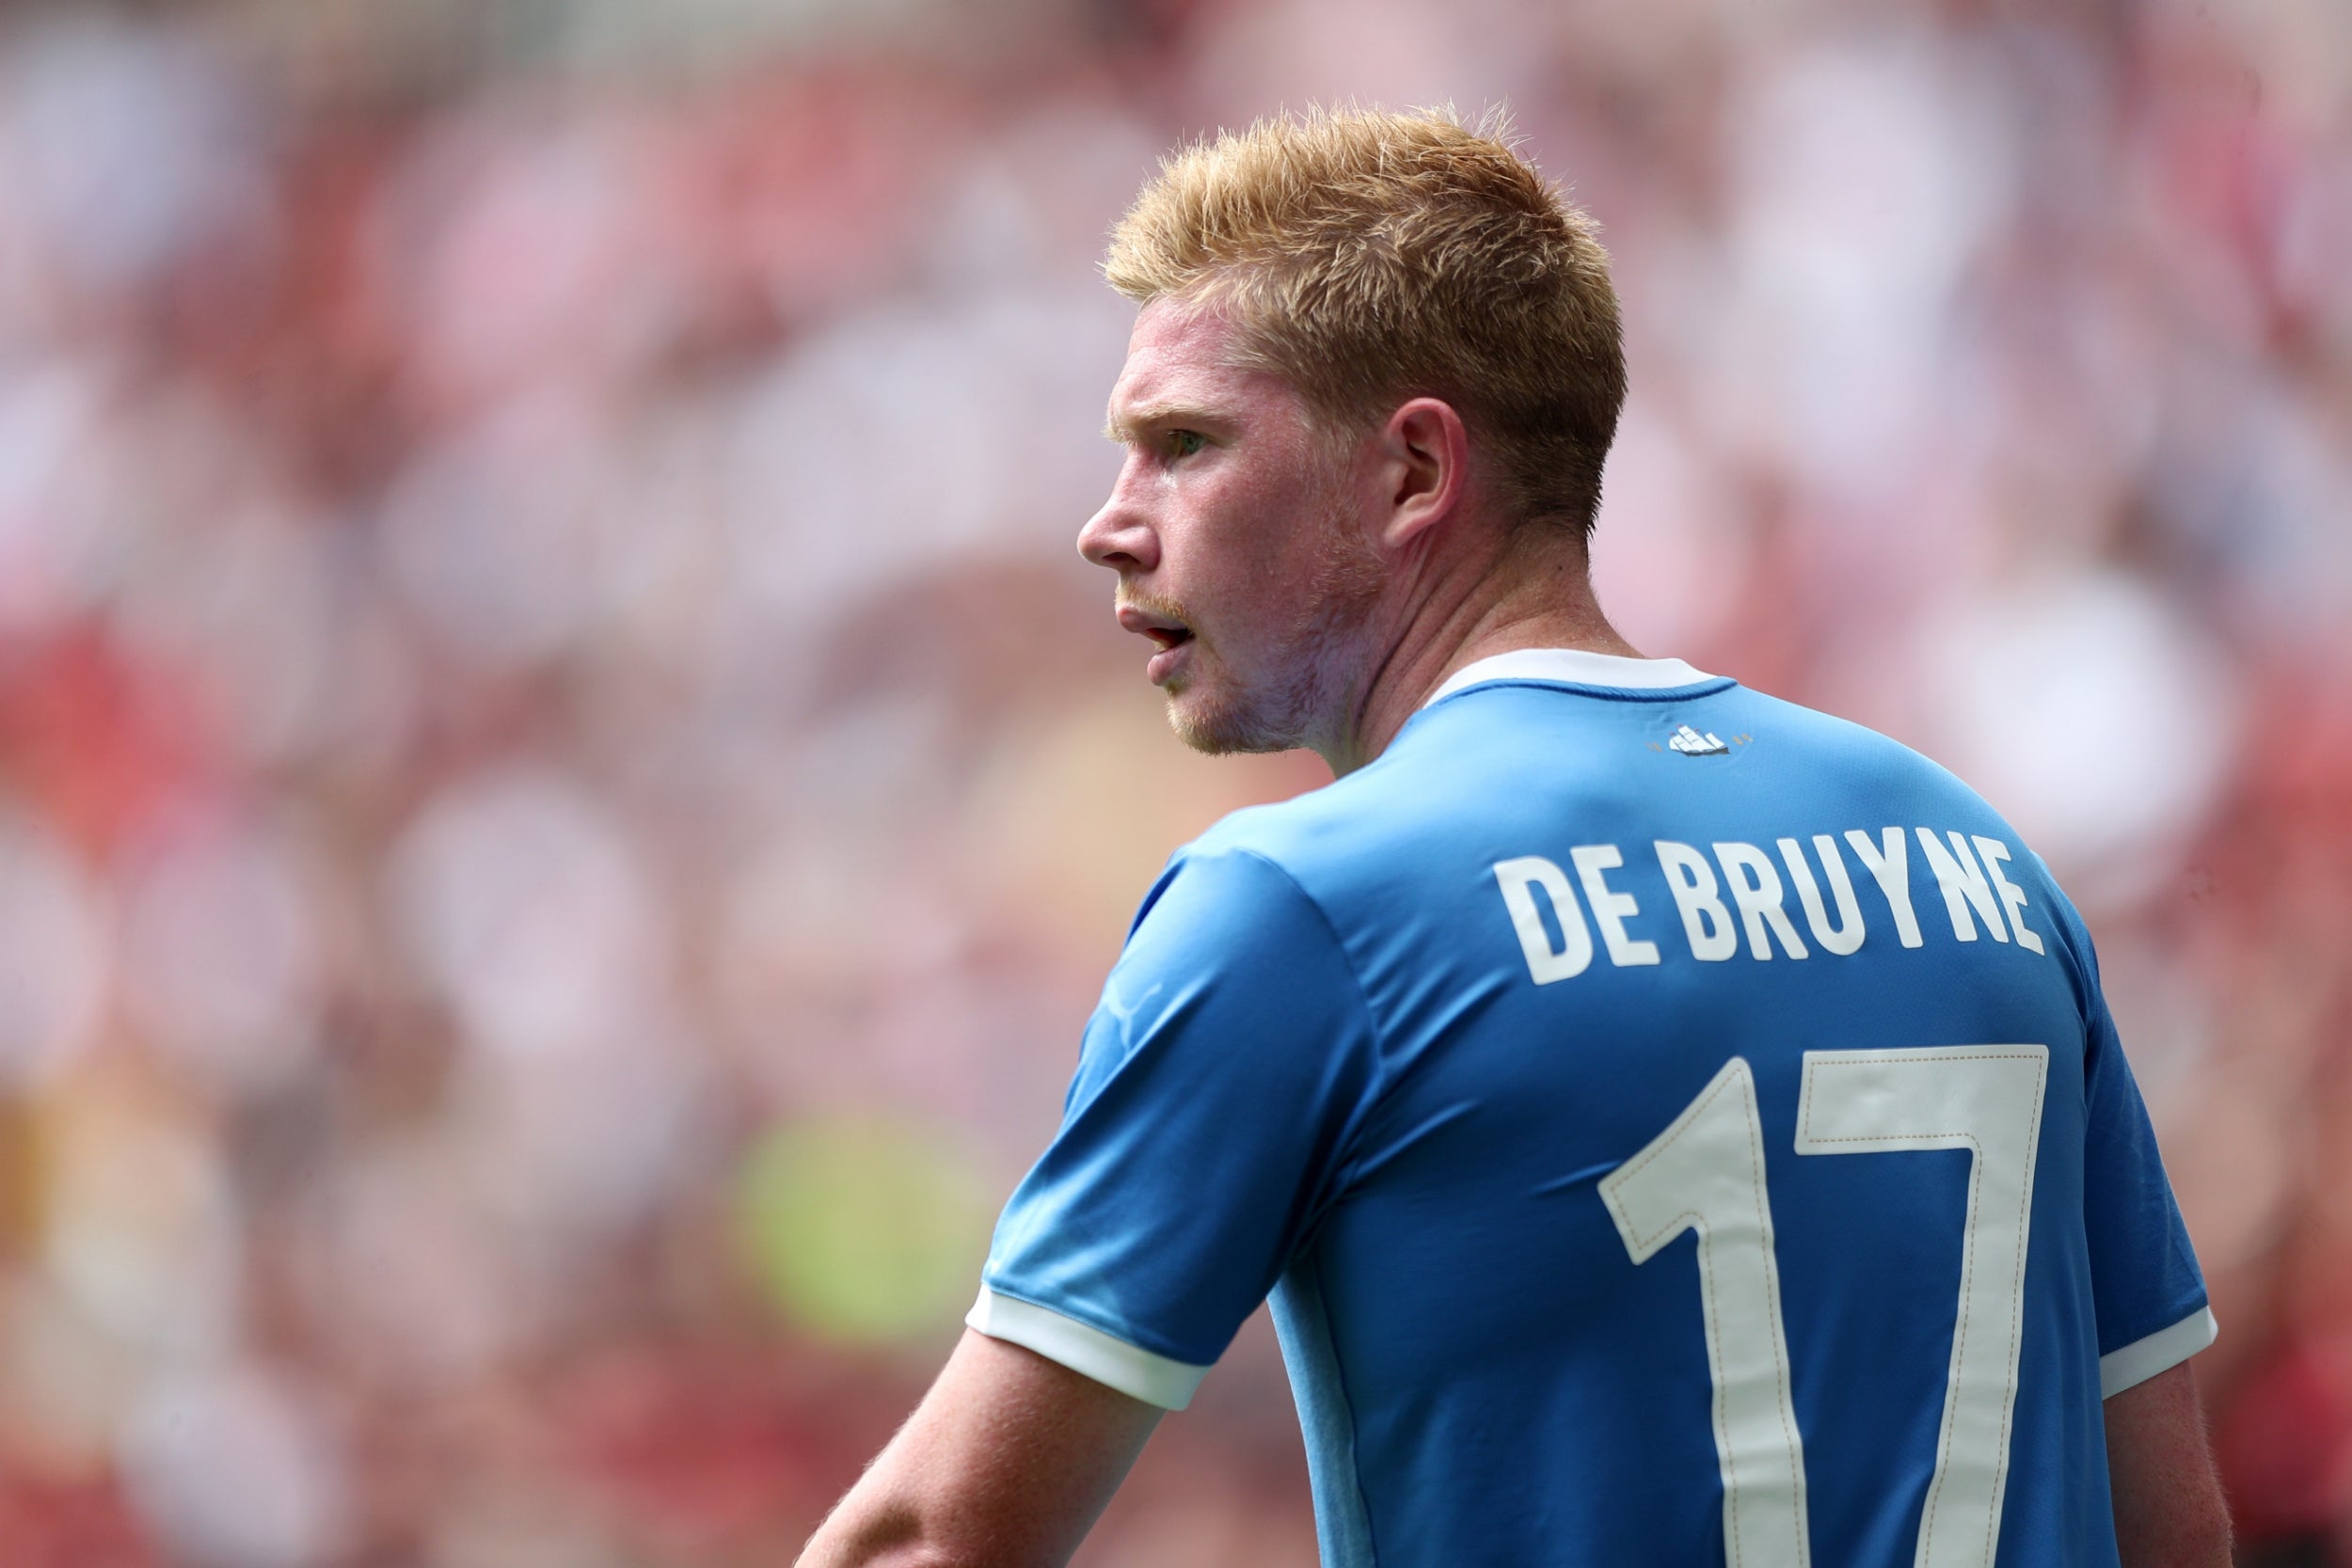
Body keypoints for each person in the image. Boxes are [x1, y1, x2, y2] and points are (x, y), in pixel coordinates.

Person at [796, 107, 2232, 1568]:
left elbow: (934, 1544)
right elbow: (2177, 1530)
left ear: (1415, 472)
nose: (1110, 524)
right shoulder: (1980, 864)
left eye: (1184, 446)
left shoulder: (1301, 911)